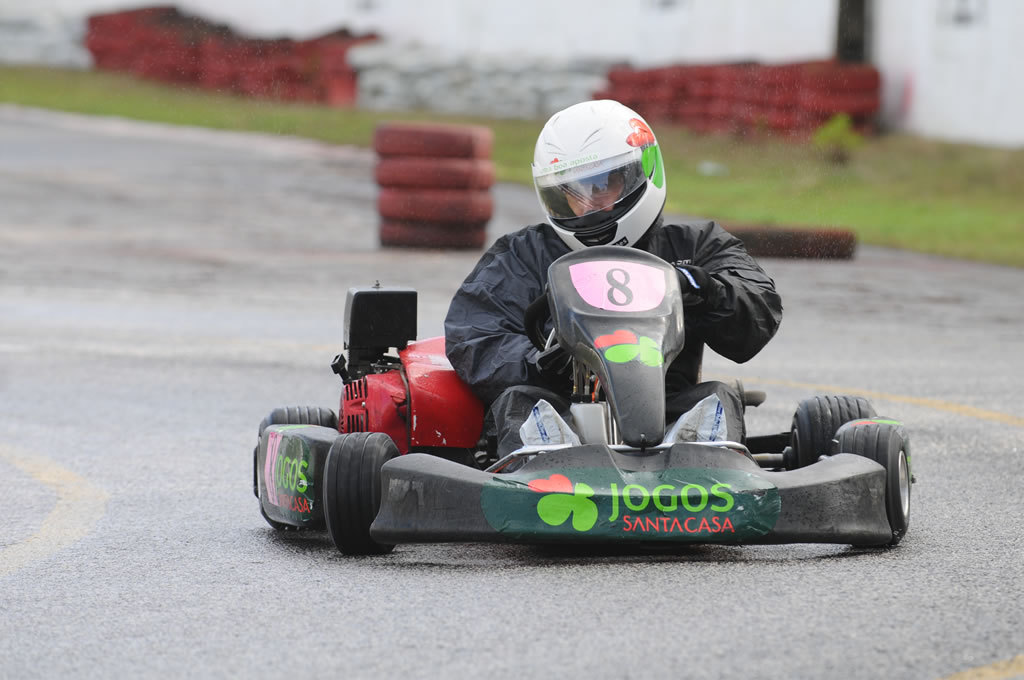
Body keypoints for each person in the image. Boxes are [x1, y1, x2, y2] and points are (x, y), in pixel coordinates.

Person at [444, 99, 783, 457]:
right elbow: (476, 335)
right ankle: (547, 469)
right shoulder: (524, 257)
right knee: (518, 401)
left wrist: (705, 291)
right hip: (559, 409)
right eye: (572, 192)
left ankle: (705, 468)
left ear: (642, 173)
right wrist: (542, 359)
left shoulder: (695, 246)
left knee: (717, 396)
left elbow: (758, 310)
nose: (589, 204)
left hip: (669, 414)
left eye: (602, 184)